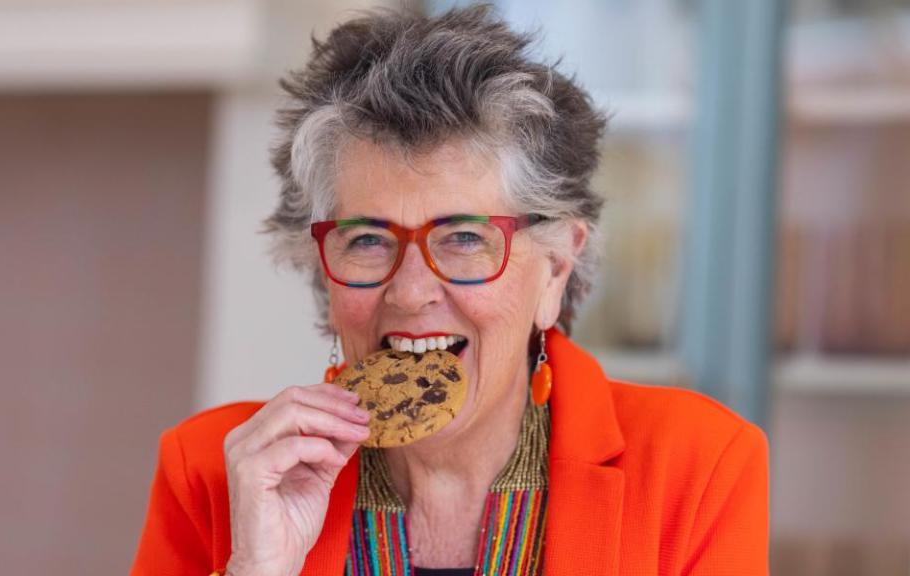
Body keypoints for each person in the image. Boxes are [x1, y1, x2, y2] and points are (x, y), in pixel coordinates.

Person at [131, 5, 768, 576]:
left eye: (464, 238)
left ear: (554, 269)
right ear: (322, 269)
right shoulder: (214, 473)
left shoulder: (697, 469)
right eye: (368, 240)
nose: (410, 292)